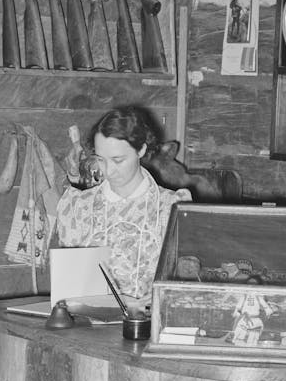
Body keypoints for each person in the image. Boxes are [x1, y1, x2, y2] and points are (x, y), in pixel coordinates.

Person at [55, 106, 191, 310]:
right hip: (88, 329)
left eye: (118, 160)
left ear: (141, 150)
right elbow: (71, 290)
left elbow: (186, 280)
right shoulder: (79, 206)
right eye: (101, 159)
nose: (108, 170)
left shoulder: (171, 207)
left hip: (148, 328)